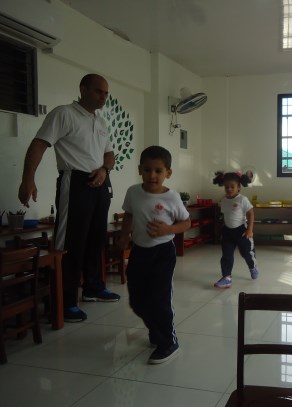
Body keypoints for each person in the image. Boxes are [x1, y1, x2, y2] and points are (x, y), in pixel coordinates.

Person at [18, 73, 120, 323]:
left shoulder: (101, 121)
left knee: (96, 238)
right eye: (99, 91)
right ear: (83, 89)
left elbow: (109, 155)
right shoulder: (64, 114)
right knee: (71, 242)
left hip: (101, 182)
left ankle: (93, 287)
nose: (103, 97)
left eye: (106, 93)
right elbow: (39, 144)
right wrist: (28, 179)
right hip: (75, 182)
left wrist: (104, 170)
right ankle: (65, 301)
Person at [117, 146, 190, 364]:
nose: (152, 175)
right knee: (137, 300)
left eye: (158, 171)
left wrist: (169, 229)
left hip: (163, 253)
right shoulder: (133, 192)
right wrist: (123, 237)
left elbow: (186, 222)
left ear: (168, 172)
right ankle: (156, 330)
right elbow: (129, 215)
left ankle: (168, 341)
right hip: (139, 251)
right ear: (140, 169)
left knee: (160, 298)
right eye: (147, 170)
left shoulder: (172, 197)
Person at [212, 171, 258, 288]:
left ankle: (252, 267)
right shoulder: (223, 200)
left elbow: (251, 214)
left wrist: (249, 230)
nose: (229, 189)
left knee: (246, 253)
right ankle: (227, 277)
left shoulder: (242, 199)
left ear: (238, 187)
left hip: (242, 231)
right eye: (226, 187)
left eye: (232, 186)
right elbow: (225, 215)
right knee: (226, 255)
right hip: (228, 232)